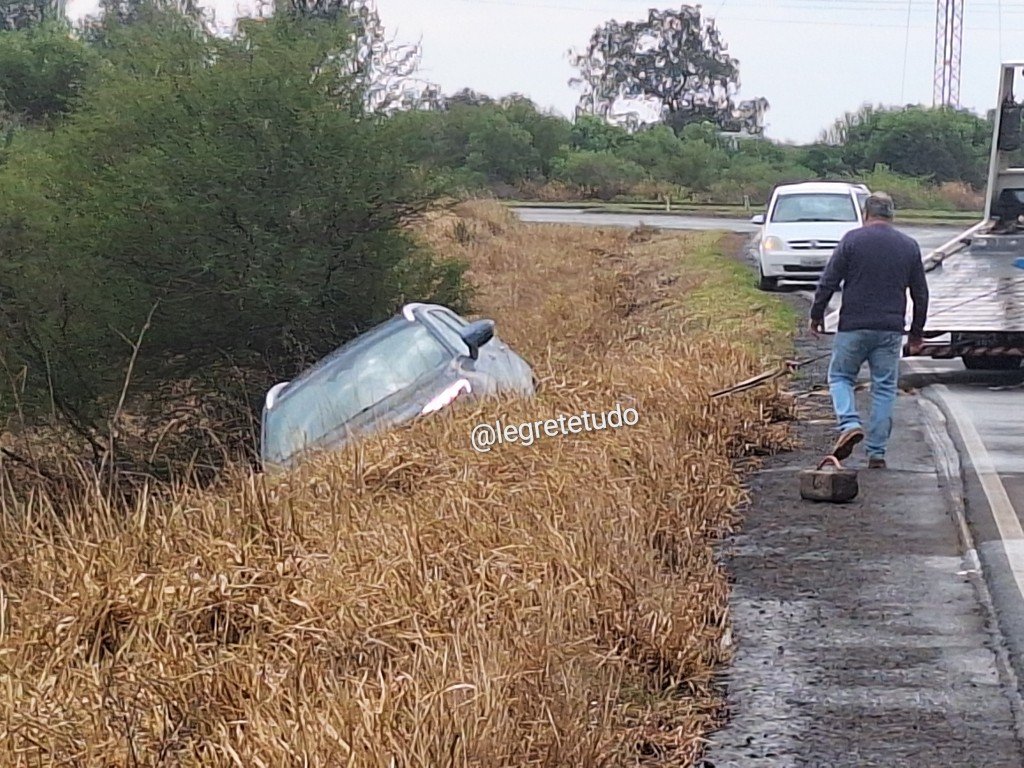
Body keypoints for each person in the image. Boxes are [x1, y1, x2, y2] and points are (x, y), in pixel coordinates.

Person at [808, 191, 929, 469]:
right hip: (890, 330)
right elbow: (920, 294)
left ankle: (849, 422)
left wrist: (817, 315)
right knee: (884, 387)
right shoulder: (908, 245)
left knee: (840, 376)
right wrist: (916, 334)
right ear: (892, 215)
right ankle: (877, 453)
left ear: (865, 214)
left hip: (853, 326)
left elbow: (828, 281)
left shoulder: (852, 240)